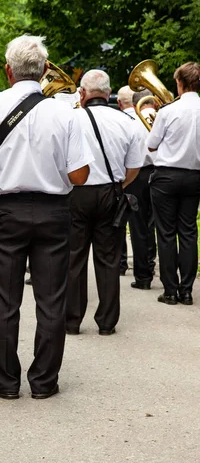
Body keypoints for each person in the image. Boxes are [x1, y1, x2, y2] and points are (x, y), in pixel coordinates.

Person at [0, 34, 92, 400]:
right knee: (51, 300)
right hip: (53, 212)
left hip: (6, 212)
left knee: (5, 299)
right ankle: (44, 382)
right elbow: (79, 176)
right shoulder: (67, 113)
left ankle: (4, 382)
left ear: (7, 71)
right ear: (46, 69)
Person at [65, 70, 143, 336]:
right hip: (111, 192)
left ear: (83, 93)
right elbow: (134, 167)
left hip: (76, 193)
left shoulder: (71, 119)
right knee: (109, 258)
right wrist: (118, 186)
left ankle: (72, 320)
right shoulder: (126, 120)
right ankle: (107, 322)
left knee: (74, 257)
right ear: (108, 93)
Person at [147, 61, 200, 305]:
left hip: (166, 177)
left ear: (179, 83)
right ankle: (187, 291)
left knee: (166, 234)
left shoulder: (168, 111)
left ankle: (170, 291)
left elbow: (151, 144)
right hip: (194, 177)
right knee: (188, 232)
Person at [128, 89, 157, 290]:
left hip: (137, 174)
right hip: (159, 173)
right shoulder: (163, 116)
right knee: (156, 224)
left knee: (138, 226)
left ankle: (143, 277)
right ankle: (153, 265)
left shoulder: (133, 122)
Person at [117, 85, 136, 276]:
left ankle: (122, 263)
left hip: (125, 174)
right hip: (147, 172)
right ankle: (145, 265)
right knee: (146, 224)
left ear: (119, 102)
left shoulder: (120, 120)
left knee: (120, 220)